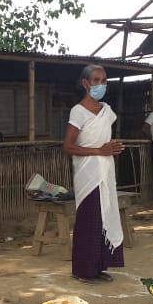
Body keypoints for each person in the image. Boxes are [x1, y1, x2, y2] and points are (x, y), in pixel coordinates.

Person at [62, 64, 125, 282]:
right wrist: (99, 150)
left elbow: (102, 142)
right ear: (85, 84)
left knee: (105, 217)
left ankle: (99, 266)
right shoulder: (78, 111)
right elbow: (68, 147)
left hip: (105, 171)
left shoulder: (106, 111)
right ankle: (83, 270)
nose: (101, 85)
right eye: (96, 80)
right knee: (90, 219)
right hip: (88, 174)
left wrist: (110, 148)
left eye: (104, 80)